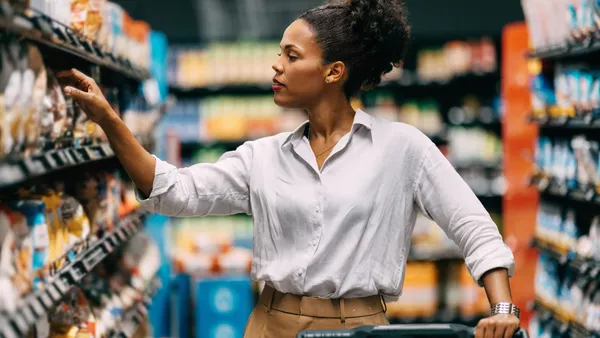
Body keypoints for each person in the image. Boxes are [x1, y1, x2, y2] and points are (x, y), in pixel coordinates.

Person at [58, 0, 521, 337]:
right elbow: (172, 190)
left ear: (334, 72)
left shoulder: (402, 148)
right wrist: (109, 121)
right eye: (280, 53)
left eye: (292, 56)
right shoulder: (262, 156)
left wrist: (502, 308)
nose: (276, 66)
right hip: (270, 323)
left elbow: (475, 228)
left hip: (359, 329)